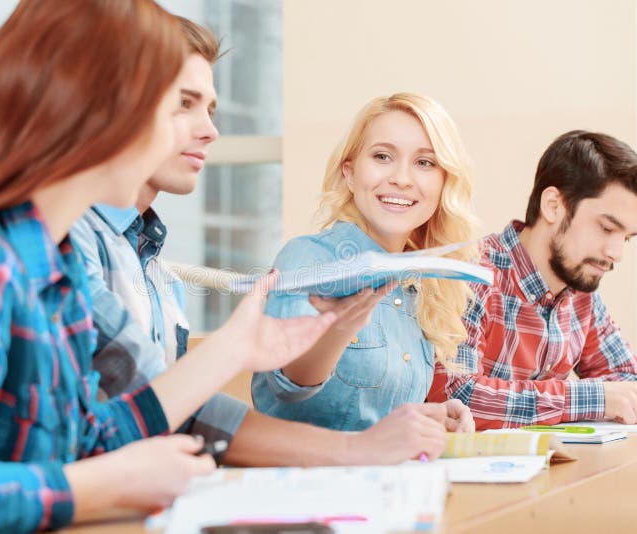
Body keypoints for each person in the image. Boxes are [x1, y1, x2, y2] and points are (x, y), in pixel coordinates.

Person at [0, 2, 337, 532]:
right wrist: (105, 486)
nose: (186, 135)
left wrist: (233, 349)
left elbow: (88, 436)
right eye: (171, 106)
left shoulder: (59, 268)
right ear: (93, 110)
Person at [71, 20, 462, 467]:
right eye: (185, 104)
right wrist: (356, 448)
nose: (210, 131)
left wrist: (410, 425)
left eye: (211, 110)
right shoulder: (68, 243)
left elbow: (174, 414)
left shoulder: (155, 272)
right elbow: (149, 411)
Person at [251, 93, 478, 434]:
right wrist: (336, 331)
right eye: (382, 156)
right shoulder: (309, 259)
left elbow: (367, 414)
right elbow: (287, 385)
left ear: (443, 182)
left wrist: (429, 415)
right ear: (350, 173)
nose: (402, 178)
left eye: (425, 163)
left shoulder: (417, 282)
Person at [427, 130, 637, 429]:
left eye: (627, 238)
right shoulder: (470, 275)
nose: (616, 253)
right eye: (606, 228)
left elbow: (629, 384)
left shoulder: (580, 290)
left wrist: (610, 397)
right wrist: (590, 398)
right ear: (553, 206)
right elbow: (456, 396)